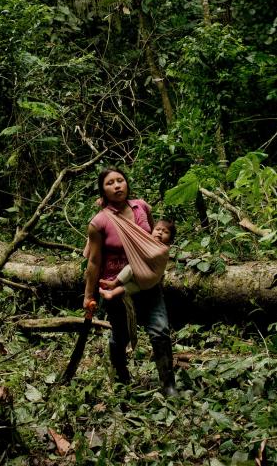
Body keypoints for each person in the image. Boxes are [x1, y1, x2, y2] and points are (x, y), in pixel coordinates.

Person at [83, 168, 178, 396]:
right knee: (121, 336)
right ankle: (122, 379)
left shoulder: (142, 207)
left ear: (127, 184)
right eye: (110, 183)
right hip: (114, 284)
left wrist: (157, 269)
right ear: (103, 190)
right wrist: (88, 296)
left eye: (120, 180)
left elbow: (153, 242)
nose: (117, 186)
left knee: (160, 331)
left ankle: (169, 386)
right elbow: (94, 262)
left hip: (146, 281)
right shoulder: (99, 222)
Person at [98, 219, 176, 300]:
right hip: (148, 284)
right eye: (157, 229)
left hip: (146, 276)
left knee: (131, 267)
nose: (160, 232)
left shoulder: (164, 249)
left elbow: (150, 255)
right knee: (131, 286)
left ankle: (114, 283)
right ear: (152, 231)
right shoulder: (149, 241)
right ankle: (112, 294)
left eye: (165, 232)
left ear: (170, 240)